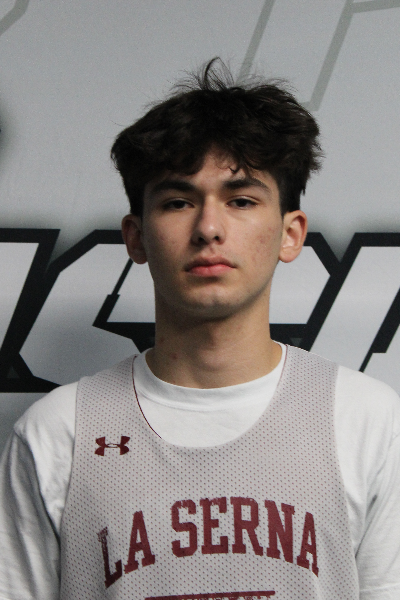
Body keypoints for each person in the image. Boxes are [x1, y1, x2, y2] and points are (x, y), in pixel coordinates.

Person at [0, 59, 399, 600]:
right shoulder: (56, 435)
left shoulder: (368, 422)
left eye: (241, 200)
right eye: (178, 202)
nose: (209, 227)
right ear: (136, 237)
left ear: (291, 233)